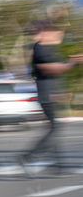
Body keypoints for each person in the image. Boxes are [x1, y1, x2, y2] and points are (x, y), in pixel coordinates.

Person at [17, 18, 83, 177]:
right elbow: (47, 70)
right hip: (47, 96)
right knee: (55, 129)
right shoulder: (39, 48)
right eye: (54, 32)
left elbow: (56, 72)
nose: (58, 35)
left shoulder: (49, 49)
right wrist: (72, 63)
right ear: (45, 33)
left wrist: (62, 91)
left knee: (54, 129)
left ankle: (58, 167)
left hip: (52, 95)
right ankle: (27, 158)